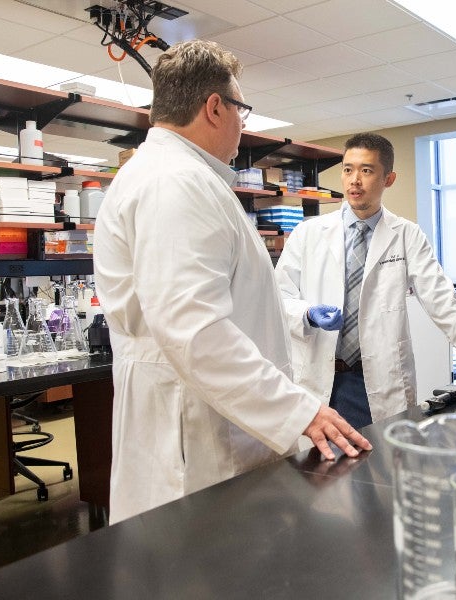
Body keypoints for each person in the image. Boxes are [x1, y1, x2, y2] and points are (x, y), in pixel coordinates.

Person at [93, 40, 371, 524]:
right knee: (195, 570)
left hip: (202, 417)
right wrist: (299, 409)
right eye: (242, 108)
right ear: (215, 107)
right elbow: (194, 329)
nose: (245, 122)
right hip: (194, 435)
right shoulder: (174, 182)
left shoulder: (177, 176)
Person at [274, 133, 456, 429]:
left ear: (389, 178)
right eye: (348, 169)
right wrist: (307, 314)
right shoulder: (308, 233)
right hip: (319, 376)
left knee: (383, 467)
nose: (354, 180)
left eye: (367, 170)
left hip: (376, 381)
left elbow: (444, 303)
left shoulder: (406, 235)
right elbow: (277, 298)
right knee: (321, 471)